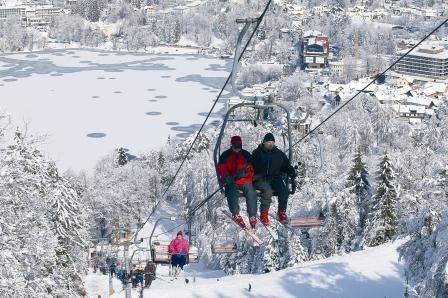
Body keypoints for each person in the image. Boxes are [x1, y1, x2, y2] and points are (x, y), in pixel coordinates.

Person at [252, 133, 297, 225]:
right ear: (264, 142)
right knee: (267, 191)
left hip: (275, 178)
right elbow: (251, 166)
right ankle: (264, 213)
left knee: (284, 191)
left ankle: (281, 212)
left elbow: (286, 166)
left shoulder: (279, 154)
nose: (270, 144)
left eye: (272, 142)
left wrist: (291, 171)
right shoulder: (257, 153)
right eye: (268, 142)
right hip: (261, 178)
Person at [217, 136, 258, 229]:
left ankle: (252, 215)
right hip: (232, 181)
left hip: (244, 180)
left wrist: (245, 173)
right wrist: (227, 176)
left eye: (239, 145)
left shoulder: (246, 155)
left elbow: (251, 168)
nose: (238, 147)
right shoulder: (225, 155)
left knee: (251, 192)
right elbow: (221, 168)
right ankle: (236, 213)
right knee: (231, 191)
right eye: (236, 145)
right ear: (232, 145)